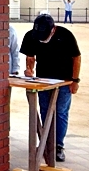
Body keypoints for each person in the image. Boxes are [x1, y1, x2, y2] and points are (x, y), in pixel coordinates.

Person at [19, 14, 81, 162]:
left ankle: (58, 145)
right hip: (43, 80)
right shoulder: (31, 36)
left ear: (53, 29)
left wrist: (75, 80)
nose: (41, 38)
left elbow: (76, 58)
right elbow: (30, 56)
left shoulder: (65, 35)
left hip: (64, 81)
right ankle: (46, 142)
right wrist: (29, 70)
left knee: (60, 112)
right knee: (45, 110)